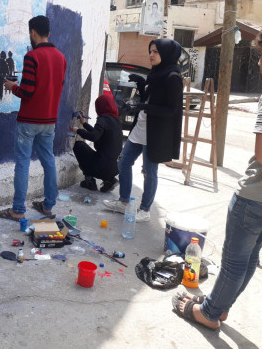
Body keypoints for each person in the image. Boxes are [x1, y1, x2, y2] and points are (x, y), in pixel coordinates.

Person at [172, 32, 262, 329]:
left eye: (261, 55)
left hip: (254, 196)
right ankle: (220, 308)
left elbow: (261, 153)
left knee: (235, 262)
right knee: (249, 259)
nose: (258, 63)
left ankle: (209, 313)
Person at [0, 15, 67, 221]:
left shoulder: (32, 57)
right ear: (49, 33)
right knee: (48, 161)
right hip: (49, 120)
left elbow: (26, 91)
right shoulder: (61, 58)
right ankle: (48, 206)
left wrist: (12, 87)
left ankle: (18, 209)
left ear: (33, 33)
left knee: (23, 163)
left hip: (29, 120)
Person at [103, 38, 183, 222]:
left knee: (149, 171)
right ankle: (123, 202)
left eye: (156, 52)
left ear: (166, 54)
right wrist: (141, 83)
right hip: (140, 127)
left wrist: (144, 107)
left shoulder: (173, 78)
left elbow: (171, 110)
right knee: (123, 162)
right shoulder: (155, 74)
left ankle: (145, 210)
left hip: (155, 133)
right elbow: (149, 98)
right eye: (150, 51)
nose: (151, 55)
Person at [71, 94, 123, 192]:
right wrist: (84, 124)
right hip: (115, 168)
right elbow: (98, 134)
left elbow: (94, 136)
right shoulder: (116, 121)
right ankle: (110, 180)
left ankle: (89, 181)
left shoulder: (103, 119)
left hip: (101, 167)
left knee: (79, 146)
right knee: (104, 159)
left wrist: (77, 130)